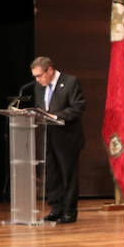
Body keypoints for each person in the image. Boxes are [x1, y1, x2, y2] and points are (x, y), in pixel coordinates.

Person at [29, 56, 86, 224]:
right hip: (48, 137)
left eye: (40, 76)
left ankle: (69, 211)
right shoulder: (38, 87)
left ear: (50, 70)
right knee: (51, 175)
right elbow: (41, 109)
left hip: (67, 138)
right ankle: (56, 208)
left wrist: (56, 116)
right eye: (35, 77)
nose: (38, 80)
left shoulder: (70, 82)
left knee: (67, 175)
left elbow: (78, 107)